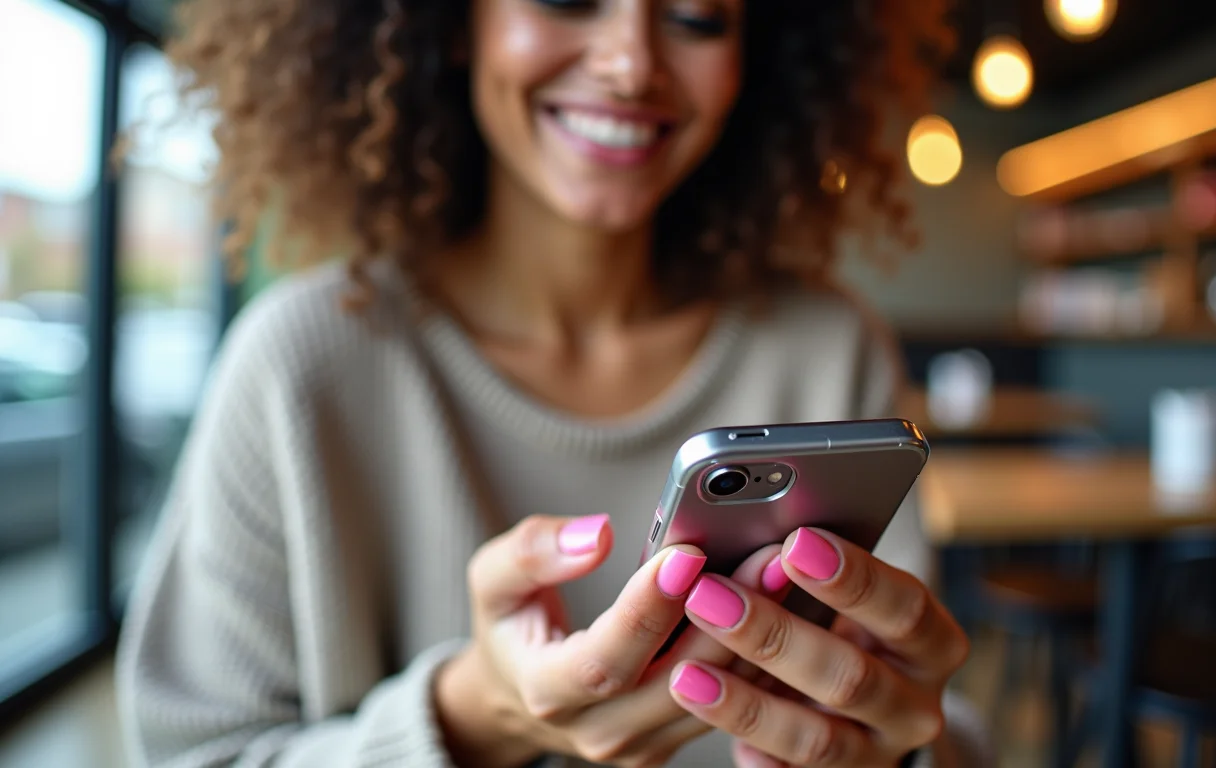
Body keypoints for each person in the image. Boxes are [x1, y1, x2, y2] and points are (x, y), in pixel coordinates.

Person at [117, 1, 985, 766]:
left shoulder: (830, 350)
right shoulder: (302, 366)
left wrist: (896, 751)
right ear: (456, 22)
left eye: (695, 17)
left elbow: (938, 723)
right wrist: (473, 718)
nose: (631, 61)